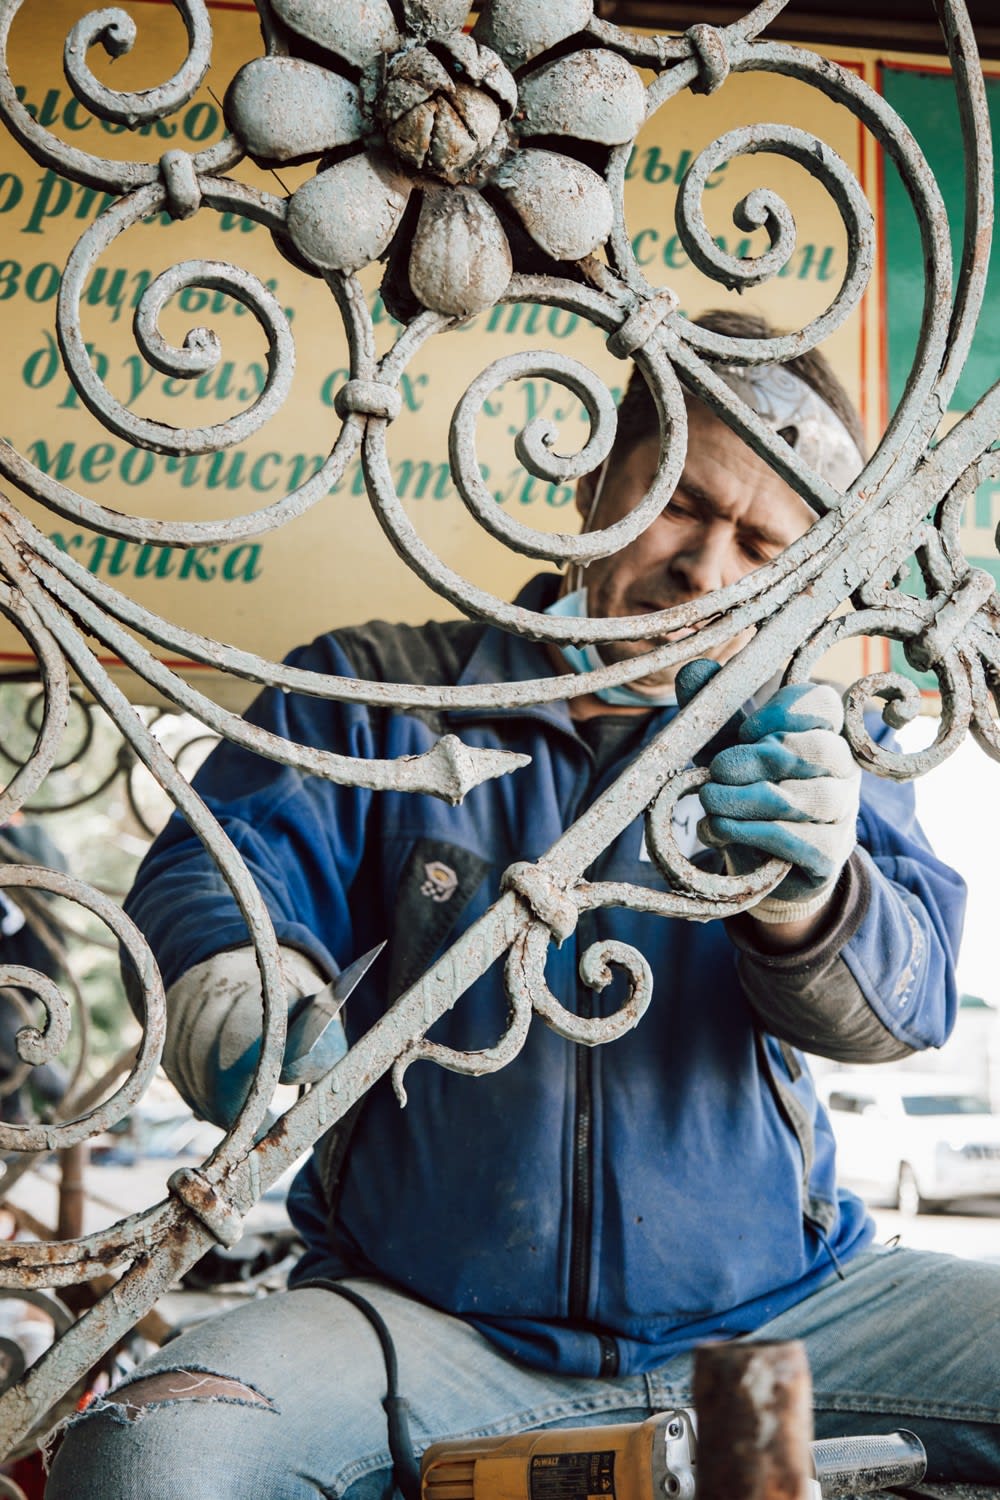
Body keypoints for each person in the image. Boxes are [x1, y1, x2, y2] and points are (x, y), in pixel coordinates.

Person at [46, 314, 995, 1500]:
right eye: (682, 503)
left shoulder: (807, 746)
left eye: (764, 542)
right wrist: (241, 981)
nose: (707, 567)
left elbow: (908, 1003)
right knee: (149, 1458)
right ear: (592, 483)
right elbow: (216, 867)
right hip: (418, 1329)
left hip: (782, 1316)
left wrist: (813, 899)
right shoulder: (379, 691)